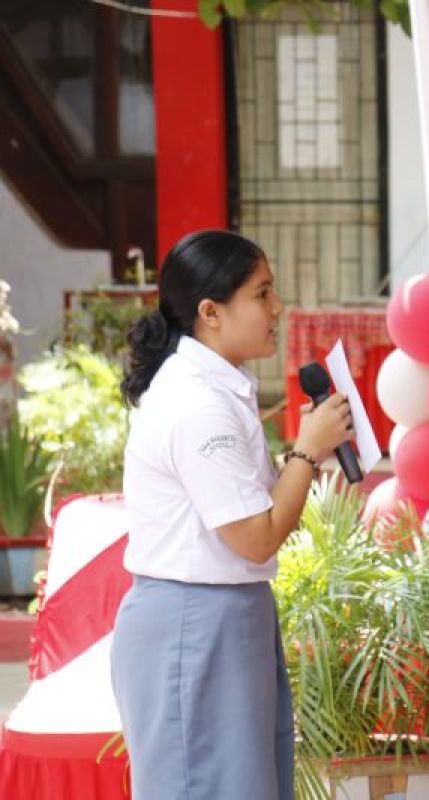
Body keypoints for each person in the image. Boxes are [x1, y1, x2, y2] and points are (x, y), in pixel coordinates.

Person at [111, 230, 353, 799]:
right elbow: (255, 536)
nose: (278, 308)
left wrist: (307, 454)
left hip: (225, 614)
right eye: (262, 294)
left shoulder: (217, 389)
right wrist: (307, 451)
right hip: (192, 621)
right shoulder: (197, 404)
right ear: (210, 312)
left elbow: (262, 510)